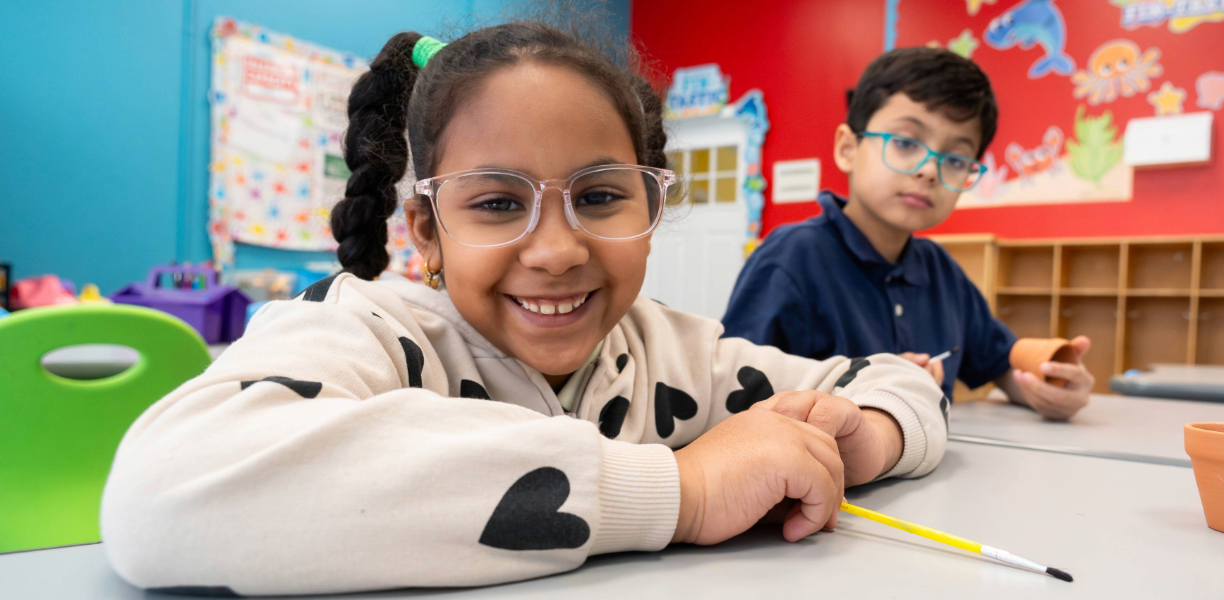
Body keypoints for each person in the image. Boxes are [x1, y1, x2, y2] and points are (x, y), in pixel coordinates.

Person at [100, 21, 947, 596]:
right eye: (498, 204)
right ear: (426, 230)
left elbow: (896, 382)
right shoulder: (366, 329)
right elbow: (157, 497)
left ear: (652, 210)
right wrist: (680, 490)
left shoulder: (678, 356)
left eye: (602, 196)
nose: (556, 250)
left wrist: (862, 432)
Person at [722, 47, 1093, 421]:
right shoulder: (790, 259)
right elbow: (732, 399)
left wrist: (1047, 388)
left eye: (955, 159)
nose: (930, 171)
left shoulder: (941, 272)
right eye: (905, 143)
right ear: (847, 148)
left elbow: (999, 364)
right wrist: (869, 387)